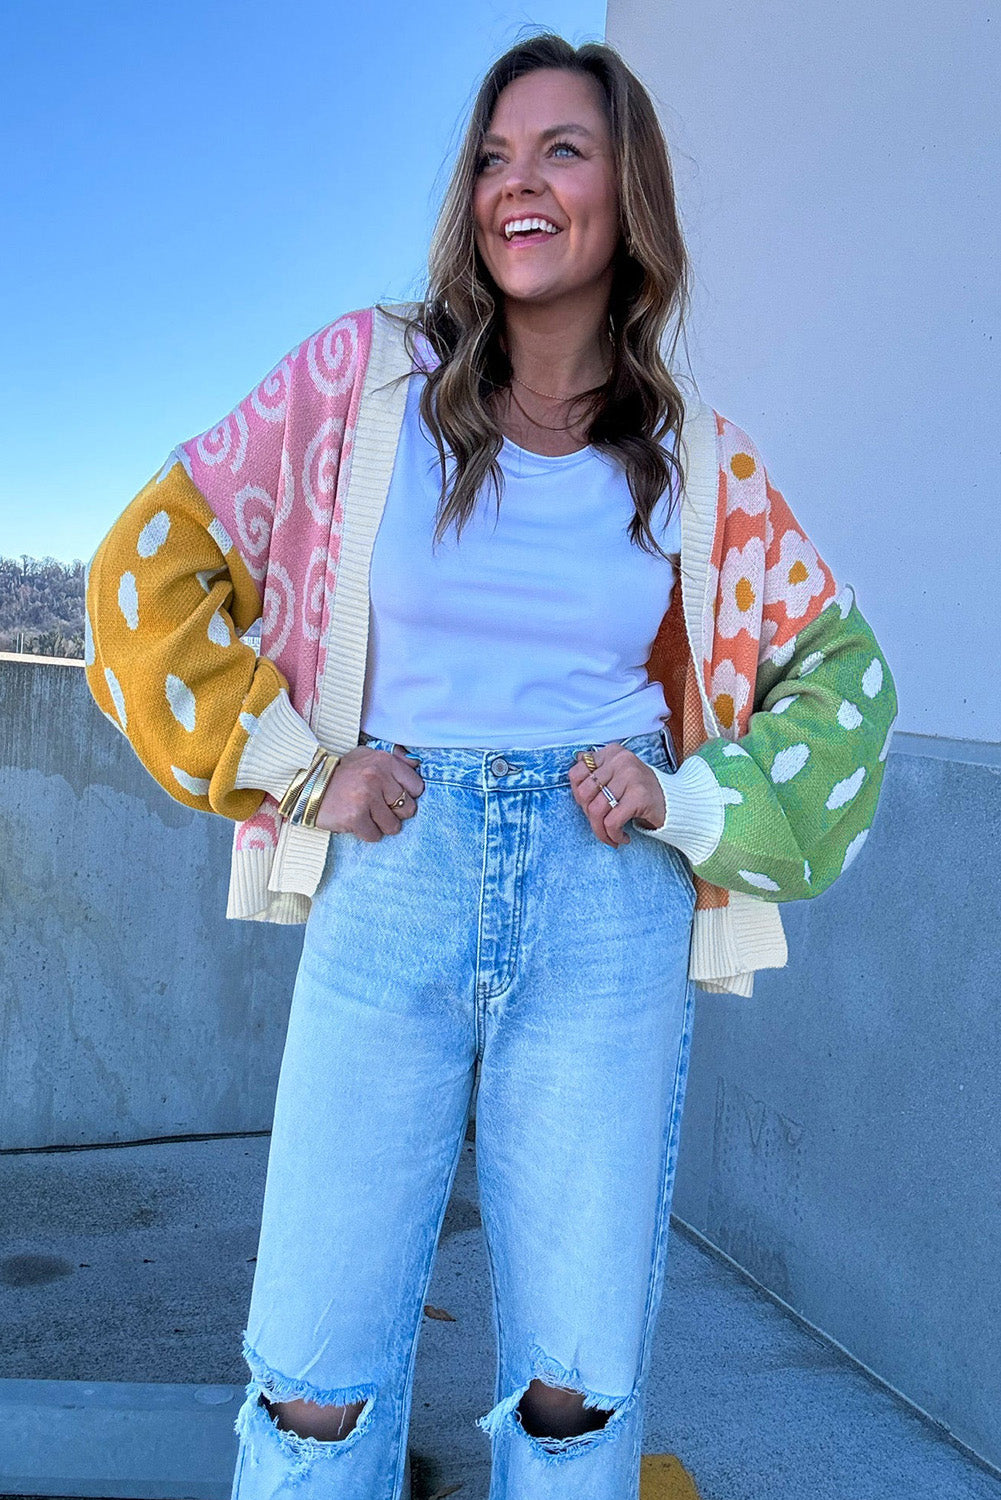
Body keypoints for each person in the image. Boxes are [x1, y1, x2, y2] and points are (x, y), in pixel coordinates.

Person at [83, 32, 897, 1500]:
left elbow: (845, 679)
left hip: (605, 904)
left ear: (628, 192)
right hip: (393, 883)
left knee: (573, 1394)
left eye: (561, 150)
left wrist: (689, 798)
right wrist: (294, 763)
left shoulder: (698, 458)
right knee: (311, 1384)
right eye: (491, 157)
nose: (518, 183)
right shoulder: (364, 383)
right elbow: (146, 568)